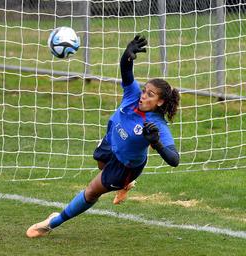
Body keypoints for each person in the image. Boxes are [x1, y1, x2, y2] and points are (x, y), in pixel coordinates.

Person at [26, 35, 180, 238]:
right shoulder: (133, 95)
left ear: (160, 102)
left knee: (91, 191)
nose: (143, 95)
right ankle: (125, 185)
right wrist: (127, 54)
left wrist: (157, 143)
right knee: (99, 163)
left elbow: (174, 160)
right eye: (145, 91)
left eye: (150, 95)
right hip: (110, 141)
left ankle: (51, 222)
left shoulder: (156, 126)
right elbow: (126, 72)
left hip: (125, 166)